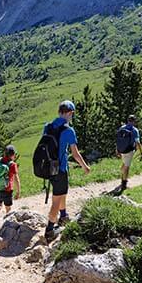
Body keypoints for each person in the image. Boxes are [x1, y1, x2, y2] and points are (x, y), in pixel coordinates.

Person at [43, 100, 90, 242]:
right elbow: (75, 154)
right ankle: (50, 230)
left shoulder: (48, 126)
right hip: (61, 169)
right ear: (69, 113)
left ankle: (63, 216)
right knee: (56, 200)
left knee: (60, 193)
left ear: (59, 112)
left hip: (50, 167)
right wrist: (85, 166)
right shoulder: (69, 131)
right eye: (72, 114)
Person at [0, 144, 21, 221]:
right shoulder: (12, 164)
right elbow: (16, 179)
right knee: (8, 207)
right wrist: (18, 191)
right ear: (13, 154)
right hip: (6, 189)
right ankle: (7, 222)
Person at [116, 115, 142, 192]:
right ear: (134, 121)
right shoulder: (135, 130)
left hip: (122, 150)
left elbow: (118, 140)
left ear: (128, 120)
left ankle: (122, 173)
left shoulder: (122, 128)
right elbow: (137, 142)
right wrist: (141, 152)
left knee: (125, 163)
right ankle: (124, 184)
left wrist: (117, 150)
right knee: (127, 167)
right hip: (129, 151)